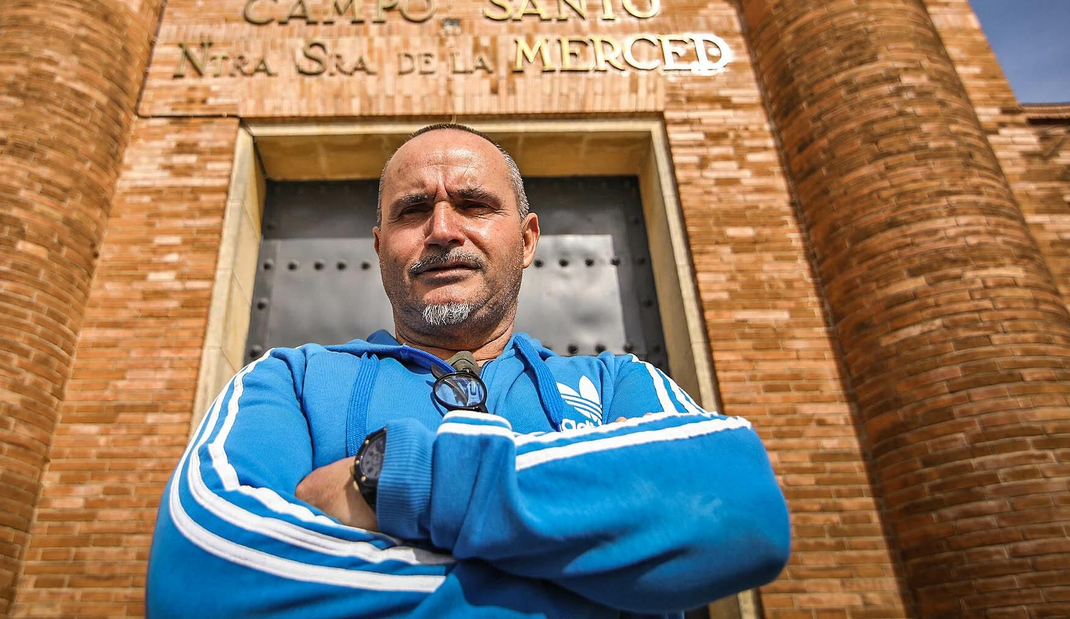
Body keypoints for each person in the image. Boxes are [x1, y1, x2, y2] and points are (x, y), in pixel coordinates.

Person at [147, 124, 790, 616]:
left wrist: (392, 479)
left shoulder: (618, 383)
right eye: (411, 210)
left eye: (475, 204)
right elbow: (201, 572)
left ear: (529, 238)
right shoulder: (286, 381)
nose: (442, 229)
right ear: (379, 246)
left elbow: (737, 507)